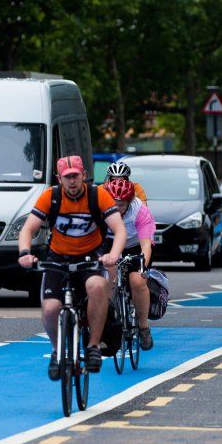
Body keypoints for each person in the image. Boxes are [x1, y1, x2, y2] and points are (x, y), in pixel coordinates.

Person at [18, 155, 127, 378]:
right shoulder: (51, 196)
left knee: (98, 286)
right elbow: (28, 229)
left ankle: (94, 346)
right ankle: (58, 352)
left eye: (76, 176)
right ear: (60, 179)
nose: (72, 182)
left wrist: (112, 255)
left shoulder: (98, 195)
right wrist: (25, 253)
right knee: (50, 308)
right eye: (67, 178)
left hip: (90, 257)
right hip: (58, 258)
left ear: (83, 175)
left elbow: (120, 230)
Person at [102, 176, 155, 350]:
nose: (117, 208)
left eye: (122, 205)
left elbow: (146, 244)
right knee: (108, 272)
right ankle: (107, 318)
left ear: (130, 201)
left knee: (137, 281)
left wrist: (143, 267)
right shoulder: (101, 206)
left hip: (134, 246)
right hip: (110, 244)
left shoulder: (140, 210)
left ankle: (144, 326)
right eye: (114, 204)